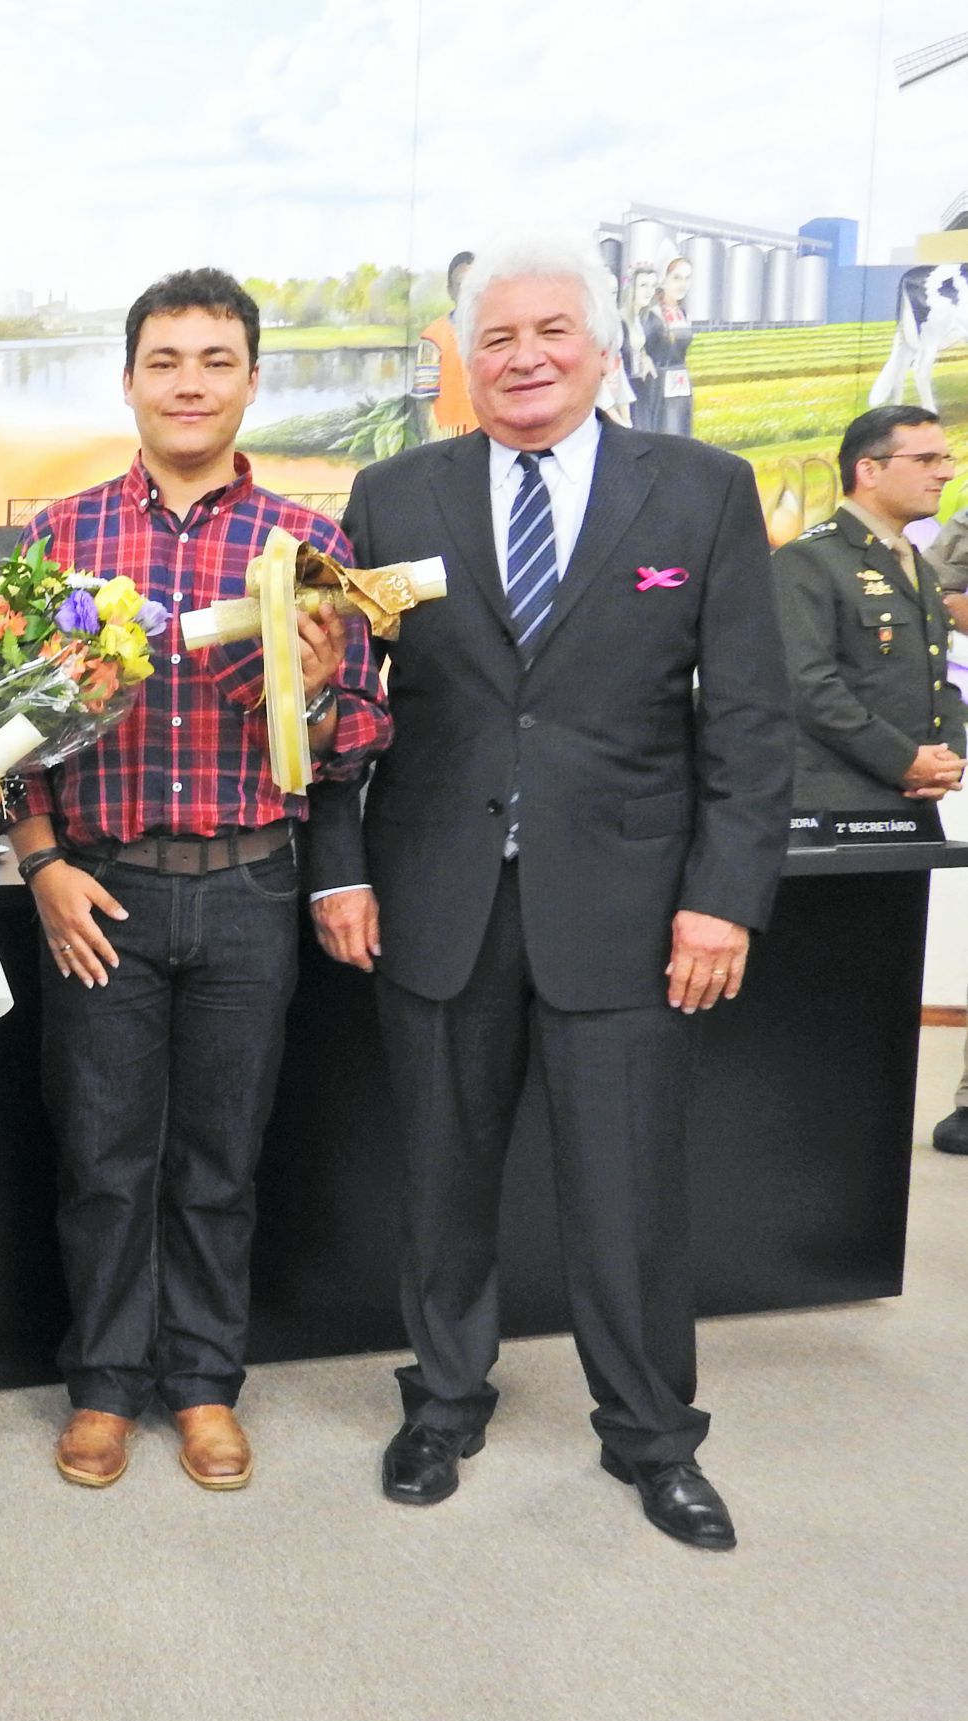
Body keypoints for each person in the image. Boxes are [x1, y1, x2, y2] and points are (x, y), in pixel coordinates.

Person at [305, 236, 792, 1550]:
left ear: (601, 347)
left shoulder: (698, 490)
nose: (523, 358)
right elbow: (341, 700)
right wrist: (337, 863)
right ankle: (441, 1403)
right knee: (440, 1174)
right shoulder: (391, 496)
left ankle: (650, 1436)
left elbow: (749, 718)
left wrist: (723, 898)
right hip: (432, 892)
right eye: (496, 339)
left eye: (550, 331)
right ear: (464, 362)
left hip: (631, 907)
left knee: (626, 1190)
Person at [6, 269, 391, 1493]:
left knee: (221, 1158)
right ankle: (105, 1383)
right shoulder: (59, 539)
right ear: (127, 380)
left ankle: (205, 1381)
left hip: (247, 887)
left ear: (250, 381)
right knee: (103, 1157)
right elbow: (8, 731)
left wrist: (317, 692)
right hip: (100, 889)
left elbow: (358, 736)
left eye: (214, 360)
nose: (188, 383)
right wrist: (42, 862)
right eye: (164, 360)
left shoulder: (308, 546)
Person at [771, 404, 961, 817]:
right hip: (838, 806)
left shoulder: (915, 564)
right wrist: (904, 761)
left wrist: (948, 757)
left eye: (946, 459)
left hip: (912, 801)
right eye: (926, 460)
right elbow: (809, 687)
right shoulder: (809, 560)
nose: (945, 473)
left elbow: (934, 677)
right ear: (869, 470)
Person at [413, 251, 479, 440]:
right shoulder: (433, 337)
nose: (467, 294)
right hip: (450, 440)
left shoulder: (497, 332)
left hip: (492, 440)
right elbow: (424, 403)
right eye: (461, 286)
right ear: (450, 290)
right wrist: (435, 444)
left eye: (473, 286)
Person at [642, 257, 696, 437]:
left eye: (687, 278)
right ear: (664, 280)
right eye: (677, 278)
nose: (683, 284)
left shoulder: (683, 313)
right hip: (659, 386)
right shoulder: (651, 315)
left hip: (681, 384)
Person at [622, 264, 662, 432]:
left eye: (653, 286)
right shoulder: (620, 319)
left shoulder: (644, 318)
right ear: (632, 288)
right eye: (643, 285)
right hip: (625, 390)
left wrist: (646, 358)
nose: (649, 291)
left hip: (640, 387)